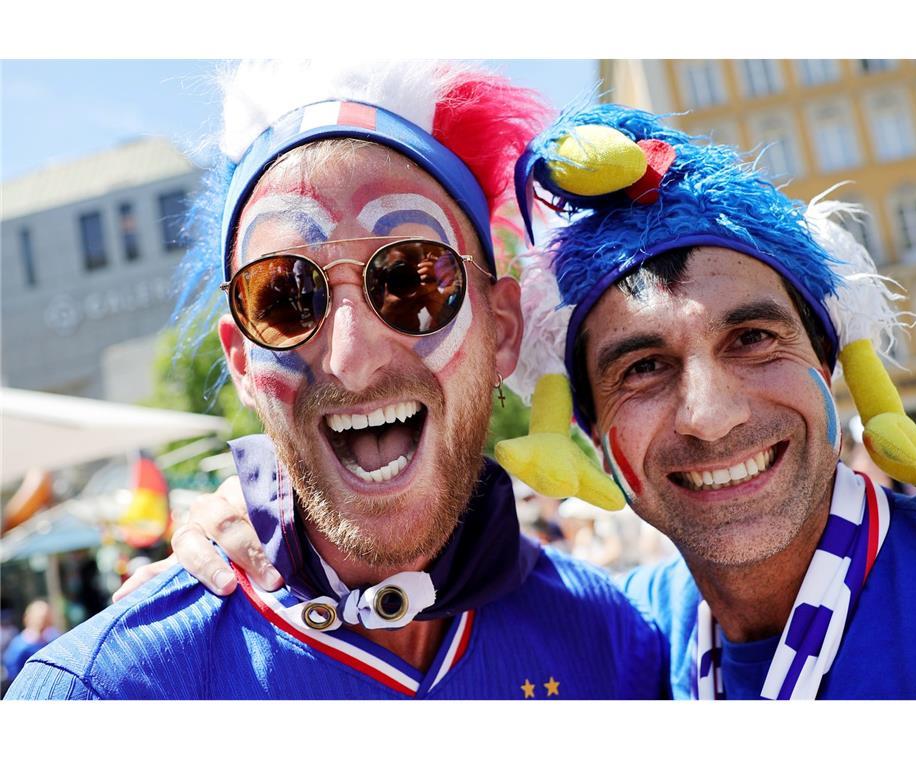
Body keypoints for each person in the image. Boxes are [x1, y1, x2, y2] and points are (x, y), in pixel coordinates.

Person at [120, 104, 916, 699]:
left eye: (753, 337)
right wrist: (254, 517)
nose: (709, 413)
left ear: (832, 370)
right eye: (643, 368)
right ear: (599, 441)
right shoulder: (633, 637)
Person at [5, 61, 666, 700]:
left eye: (412, 280)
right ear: (241, 363)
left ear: (503, 329)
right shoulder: (107, 695)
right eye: (285, 298)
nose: (353, 358)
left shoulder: (615, 641)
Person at [2, 601, 57, 688]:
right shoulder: (18, 647)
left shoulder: (52, 640)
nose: (44, 621)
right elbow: (13, 678)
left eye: (47, 617)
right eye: (41, 618)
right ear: (28, 618)